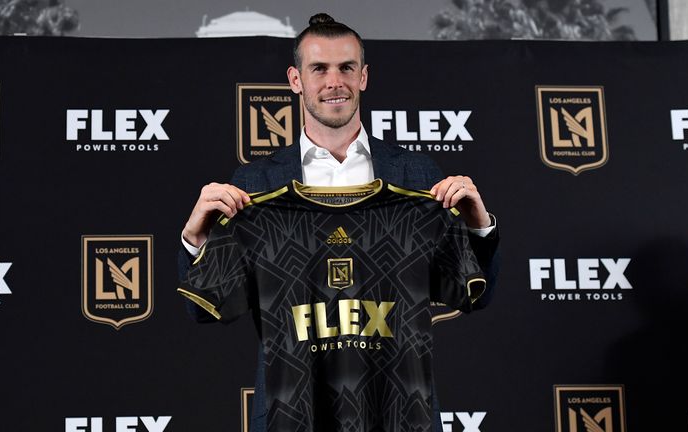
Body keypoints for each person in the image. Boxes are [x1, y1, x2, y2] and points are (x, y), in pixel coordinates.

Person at [179, 13, 499, 432]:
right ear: (296, 80)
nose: (335, 82)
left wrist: (479, 227)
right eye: (320, 69)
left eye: (346, 67)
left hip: (401, 415)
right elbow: (204, 308)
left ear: (363, 76)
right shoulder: (255, 187)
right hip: (292, 417)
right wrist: (195, 238)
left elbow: (473, 295)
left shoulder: (418, 177)